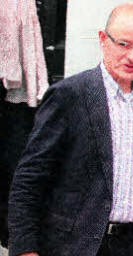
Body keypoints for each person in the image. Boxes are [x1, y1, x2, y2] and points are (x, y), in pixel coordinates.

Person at [8, 3, 133, 256]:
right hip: (72, 246)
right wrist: (25, 249)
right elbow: (29, 180)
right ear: (103, 39)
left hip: (132, 246)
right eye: (123, 44)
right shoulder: (69, 96)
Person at [0, 0, 49, 248]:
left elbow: (29, 35)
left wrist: (36, 81)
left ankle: (13, 235)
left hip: (12, 83)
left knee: (14, 161)